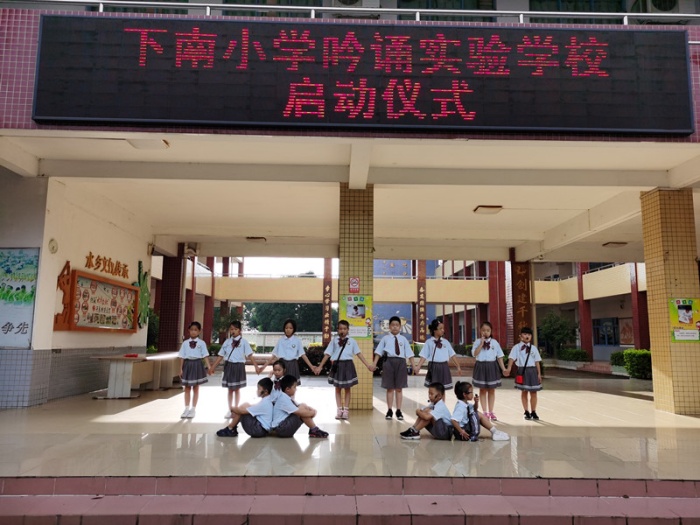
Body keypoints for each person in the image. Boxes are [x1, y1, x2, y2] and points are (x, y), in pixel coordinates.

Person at [314, 320, 375, 420]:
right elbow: (327, 354)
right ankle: (339, 410)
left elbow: (358, 354)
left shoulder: (352, 341)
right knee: (337, 389)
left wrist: (368, 365)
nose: (342, 330)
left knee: (347, 388)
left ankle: (346, 411)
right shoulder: (334, 341)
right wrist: (320, 366)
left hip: (348, 365)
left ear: (348, 330)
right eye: (341, 329)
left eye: (345, 329)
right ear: (338, 329)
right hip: (337, 365)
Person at [209, 320, 262, 418]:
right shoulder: (227, 342)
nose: (233, 331)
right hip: (229, 366)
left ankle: (236, 409)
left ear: (239, 330)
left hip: (239, 367)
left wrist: (256, 366)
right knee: (230, 390)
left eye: (235, 329)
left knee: (237, 389)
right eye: (231, 329)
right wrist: (213, 367)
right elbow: (220, 356)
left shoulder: (244, 342)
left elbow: (249, 355)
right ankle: (230, 409)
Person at [373, 316, 416, 421]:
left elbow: (410, 354)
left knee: (399, 388)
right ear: (389, 327)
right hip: (389, 362)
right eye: (393, 325)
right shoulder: (385, 339)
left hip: (401, 363)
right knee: (390, 388)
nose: (395, 327)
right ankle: (389, 410)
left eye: (397, 325)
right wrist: (374, 364)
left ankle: (399, 410)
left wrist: (414, 366)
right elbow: (378, 352)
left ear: (400, 327)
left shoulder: (403, 339)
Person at [504, 326, 543, 420]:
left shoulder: (534, 348)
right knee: (524, 391)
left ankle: (533, 411)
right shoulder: (516, 347)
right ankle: (526, 411)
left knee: (534, 392)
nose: (527, 336)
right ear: (520, 336)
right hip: (522, 371)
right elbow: (511, 359)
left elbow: (537, 362)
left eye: (529, 334)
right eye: (525, 334)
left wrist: (539, 374)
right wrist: (508, 369)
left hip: (532, 371)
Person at [471, 321, 507, 421]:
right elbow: (474, 354)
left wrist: (504, 369)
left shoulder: (495, 343)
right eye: (483, 330)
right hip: (481, 366)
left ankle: (491, 411)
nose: (485, 332)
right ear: (480, 331)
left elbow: (499, 357)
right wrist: (481, 344)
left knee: (492, 390)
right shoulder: (477, 342)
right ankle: (484, 412)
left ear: (491, 331)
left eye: (488, 330)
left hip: (492, 366)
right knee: (482, 390)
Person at [260, 319, 313, 385]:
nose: (288, 330)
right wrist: (264, 366)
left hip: (293, 365)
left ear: (294, 329)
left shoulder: (297, 341)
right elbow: (274, 354)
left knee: (291, 385)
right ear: (284, 329)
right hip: (282, 364)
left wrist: (312, 367)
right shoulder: (281, 340)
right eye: (286, 328)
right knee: (281, 385)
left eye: (290, 328)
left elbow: (302, 354)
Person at [177, 321, 212, 419]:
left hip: (197, 364)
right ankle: (186, 408)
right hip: (187, 365)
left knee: (196, 388)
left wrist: (209, 367)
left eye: (195, 330)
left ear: (199, 331)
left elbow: (205, 355)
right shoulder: (185, 343)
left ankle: (193, 409)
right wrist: (180, 369)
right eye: (191, 329)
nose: (193, 332)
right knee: (187, 388)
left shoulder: (202, 343)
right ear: (189, 330)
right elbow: (182, 356)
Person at [413, 319, 462, 389]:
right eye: (440, 328)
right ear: (434, 330)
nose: (443, 330)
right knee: (434, 388)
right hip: (433, 367)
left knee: (443, 388)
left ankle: (442, 397)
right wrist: (418, 367)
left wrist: (458, 366)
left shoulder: (446, 342)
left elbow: (452, 355)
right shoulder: (429, 342)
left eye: (443, 328)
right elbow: (424, 356)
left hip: (444, 367)